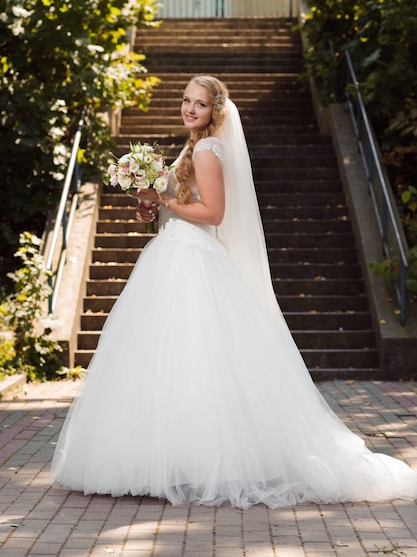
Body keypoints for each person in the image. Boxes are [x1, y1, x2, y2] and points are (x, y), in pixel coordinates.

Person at [51, 76, 417, 508]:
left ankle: (193, 461)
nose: (189, 109)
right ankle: (169, 458)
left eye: (199, 104)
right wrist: (149, 204)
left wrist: (167, 203)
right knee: (165, 360)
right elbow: (179, 205)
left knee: (196, 360)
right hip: (172, 253)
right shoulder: (191, 147)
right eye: (186, 101)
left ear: (214, 112)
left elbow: (214, 213)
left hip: (193, 260)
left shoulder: (207, 150)